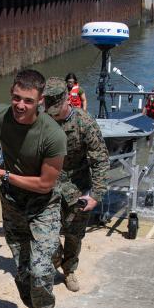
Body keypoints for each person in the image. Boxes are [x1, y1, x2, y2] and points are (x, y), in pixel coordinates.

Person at [0, 70, 66, 308]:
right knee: (22, 268)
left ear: (40, 101)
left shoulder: (53, 135)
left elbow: (45, 184)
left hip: (43, 205)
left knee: (41, 270)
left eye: (28, 101)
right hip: (12, 203)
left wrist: (4, 174)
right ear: (11, 94)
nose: (20, 105)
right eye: (16, 98)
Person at [44, 77, 109, 293]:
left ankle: (69, 269)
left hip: (77, 186)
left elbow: (100, 159)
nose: (53, 113)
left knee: (74, 234)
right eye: (49, 108)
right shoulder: (42, 119)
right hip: (48, 185)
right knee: (46, 232)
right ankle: (56, 259)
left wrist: (96, 194)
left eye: (56, 109)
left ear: (67, 100)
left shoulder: (84, 122)